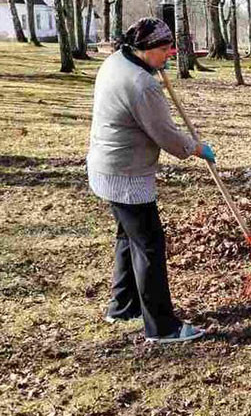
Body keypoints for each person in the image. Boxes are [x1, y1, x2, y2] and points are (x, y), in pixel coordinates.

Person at [87, 17, 213, 344]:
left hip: (106, 168)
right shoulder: (142, 84)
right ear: (144, 48)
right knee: (150, 246)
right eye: (164, 50)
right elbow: (166, 135)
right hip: (126, 175)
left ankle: (122, 306)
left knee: (128, 238)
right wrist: (197, 148)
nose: (169, 55)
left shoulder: (116, 61)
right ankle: (162, 327)